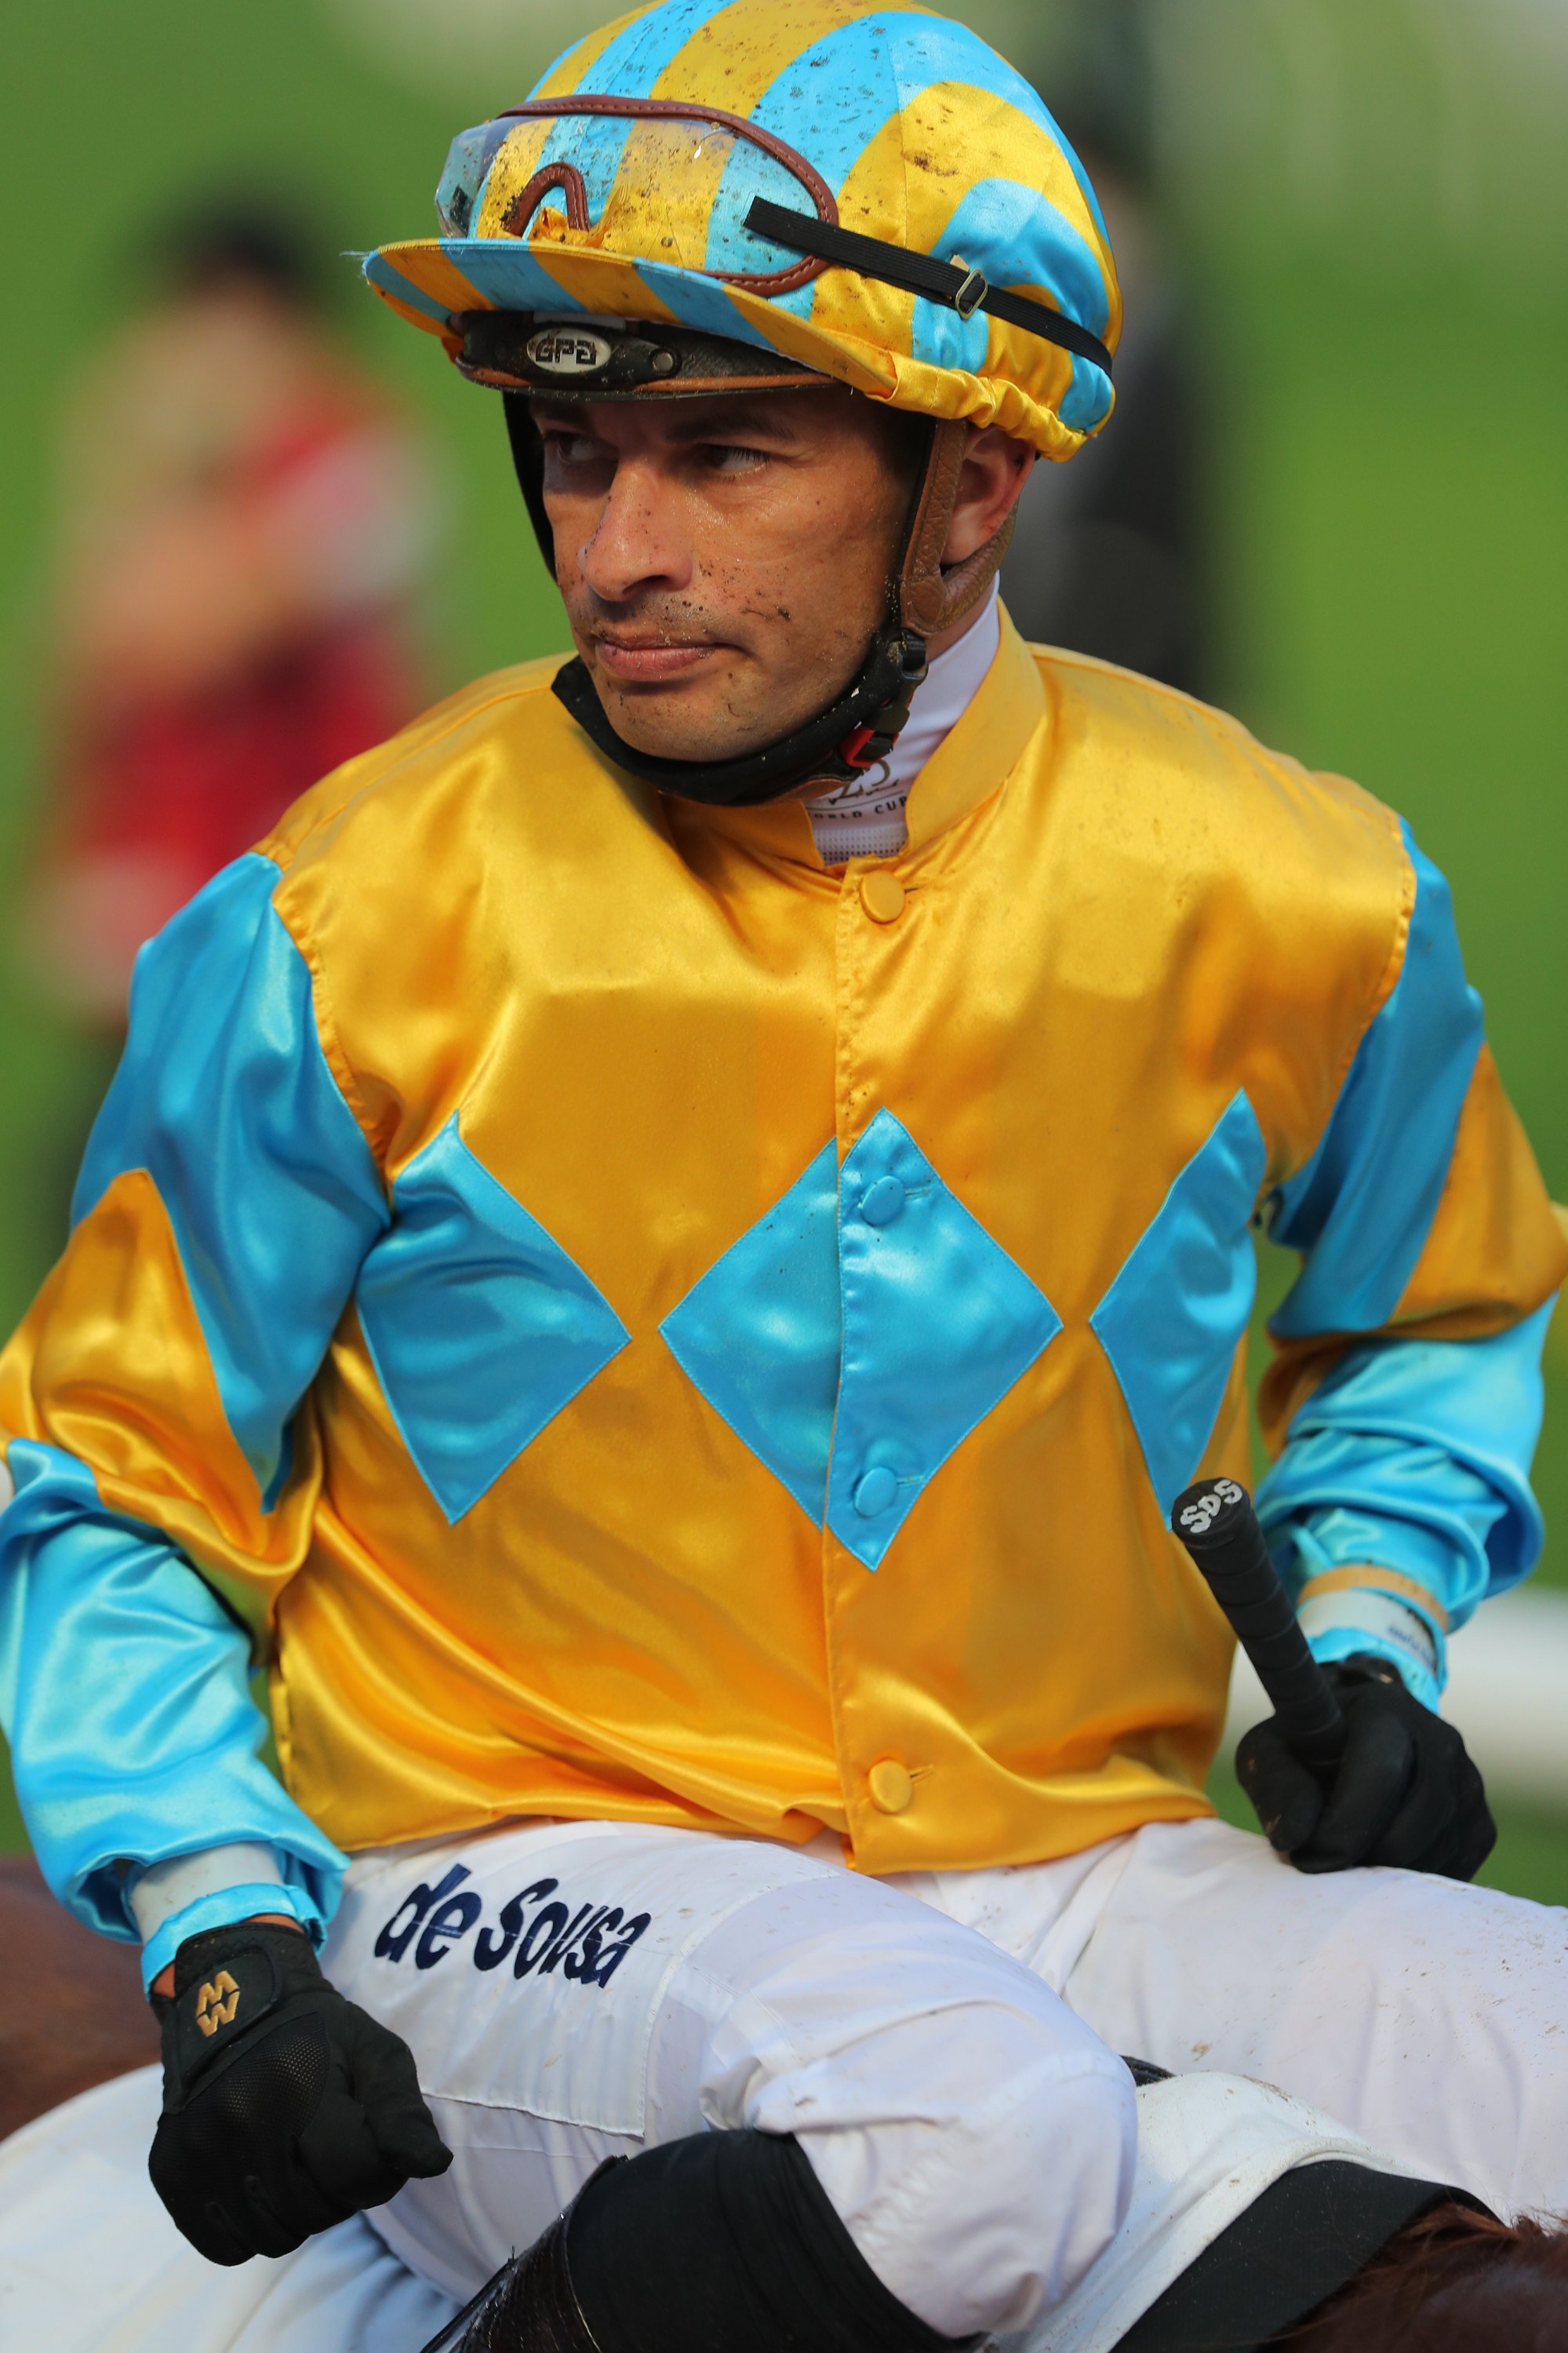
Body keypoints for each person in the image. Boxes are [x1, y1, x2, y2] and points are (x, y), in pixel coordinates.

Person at [0, 3, 1564, 2347]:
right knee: (970, 2137)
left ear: (975, 475)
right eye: (571, 446)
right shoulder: (339, 920)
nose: (614, 550)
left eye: (721, 453)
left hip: (1071, 1861)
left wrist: (1366, 1631)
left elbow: (1434, 1315)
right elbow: (111, 1480)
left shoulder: (1298, 889)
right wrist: (222, 1923)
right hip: (500, 1882)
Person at [24, 199, 440, 1029]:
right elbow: (84, 649)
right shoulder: (180, 467)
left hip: (303, 873)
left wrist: (148, 471)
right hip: (161, 860)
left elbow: (191, 633)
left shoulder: (355, 460)